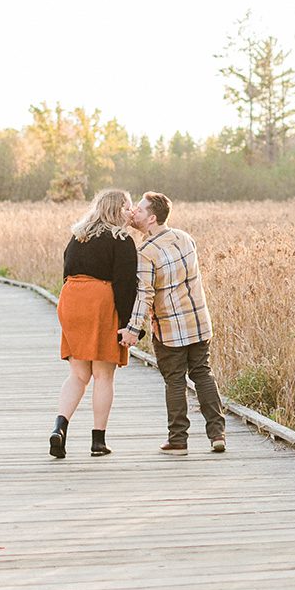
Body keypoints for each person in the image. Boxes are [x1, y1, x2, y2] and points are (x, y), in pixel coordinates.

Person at [119, 191, 226, 455]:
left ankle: (178, 439)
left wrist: (133, 330)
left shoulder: (145, 252)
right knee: (202, 373)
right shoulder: (185, 238)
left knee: (175, 380)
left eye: (140, 211)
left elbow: (145, 294)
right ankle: (217, 434)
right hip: (199, 321)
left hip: (170, 328)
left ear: (152, 218)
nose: (134, 212)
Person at [49, 188, 137, 459]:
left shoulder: (78, 235)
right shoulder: (121, 239)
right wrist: (128, 324)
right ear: (119, 209)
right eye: (129, 207)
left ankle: (59, 427)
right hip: (99, 301)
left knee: (78, 375)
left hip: (72, 299)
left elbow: (66, 272)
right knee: (103, 375)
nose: (131, 212)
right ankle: (98, 441)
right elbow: (125, 286)